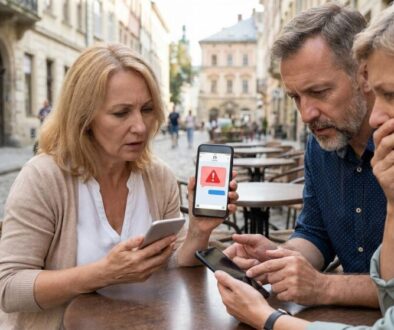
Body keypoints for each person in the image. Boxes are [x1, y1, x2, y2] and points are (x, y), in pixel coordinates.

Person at [0, 43, 238, 329]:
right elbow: (9, 288)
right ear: (84, 119)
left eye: (147, 109)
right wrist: (103, 273)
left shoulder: (157, 176)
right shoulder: (44, 177)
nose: (140, 126)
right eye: (121, 113)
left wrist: (199, 232)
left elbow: (173, 264)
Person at [215, 4, 394, 329]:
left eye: (319, 92)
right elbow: (315, 231)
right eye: (295, 97)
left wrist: (322, 286)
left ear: (364, 76)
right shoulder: (320, 143)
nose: (306, 114)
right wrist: (276, 260)